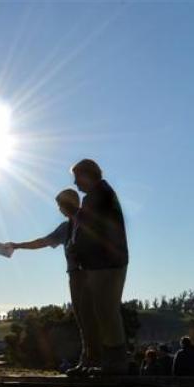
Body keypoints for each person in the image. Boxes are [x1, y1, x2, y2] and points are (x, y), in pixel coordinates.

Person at [7, 189, 94, 376]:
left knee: (90, 317)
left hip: (89, 274)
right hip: (74, 275)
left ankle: (95, 359)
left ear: (67, 204)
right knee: (81, 318)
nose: (59, 209)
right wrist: (18, 246)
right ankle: (87, 359)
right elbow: (43, 242)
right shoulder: (65, 228)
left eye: (60, 205)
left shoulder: (87, 222)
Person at [71, 159, 130, 375]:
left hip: (107, 262)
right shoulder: (98, 195)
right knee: (99, 311)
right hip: (100, 262)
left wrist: (79, 249)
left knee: (106, 311)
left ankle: (116, 363)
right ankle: (107, 361)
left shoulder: (99, 195)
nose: (76, 184)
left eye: (77, 178)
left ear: (87, 175)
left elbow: (92, 230)